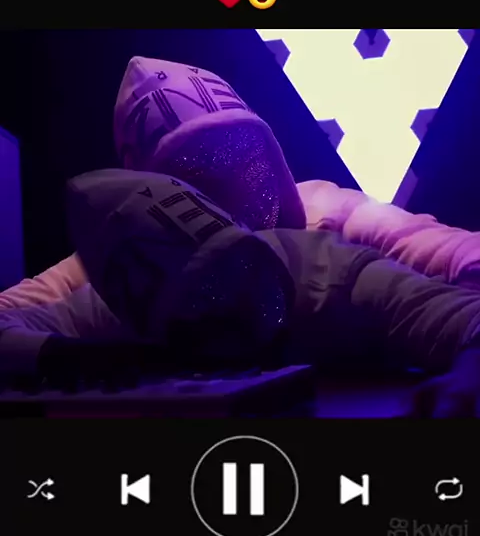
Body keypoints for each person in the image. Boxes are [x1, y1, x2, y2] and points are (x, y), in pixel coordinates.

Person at [1, 57, 479, 415]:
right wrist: (73, 359)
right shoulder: (125, 270)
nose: (226, 189)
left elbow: (462, 263)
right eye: (193, 177)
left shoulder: (331, 248)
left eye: (236, 160)